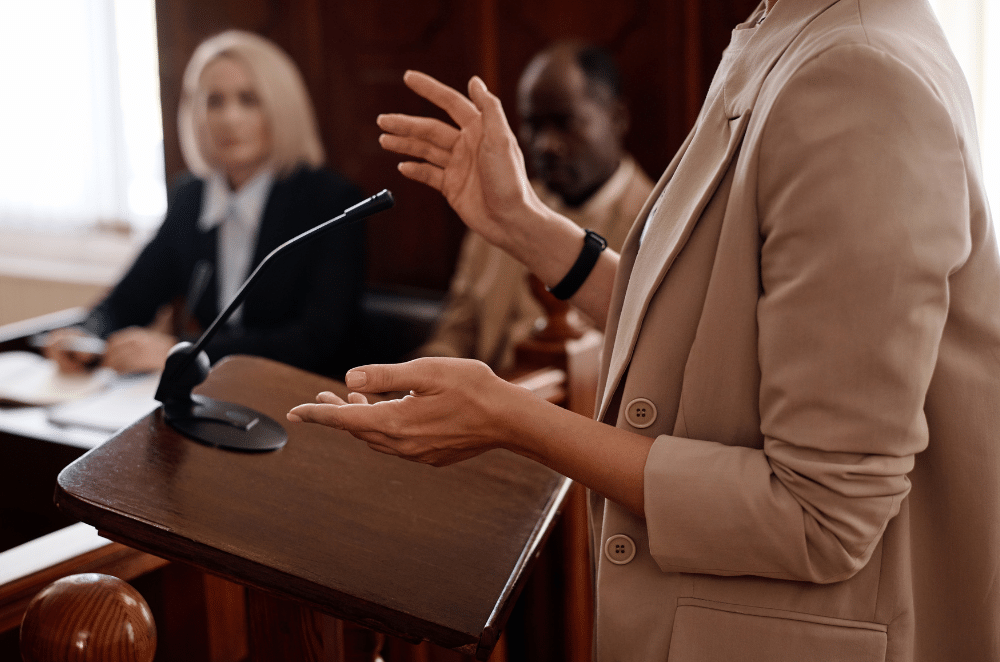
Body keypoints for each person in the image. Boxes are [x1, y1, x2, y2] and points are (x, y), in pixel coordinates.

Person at [289, 0, 1000, 659]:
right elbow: (709, 332)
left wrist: (514, 420)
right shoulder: (793, 33)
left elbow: (818, 514)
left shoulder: (859, 76)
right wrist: (526, 227)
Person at [44, 30, 366, 378]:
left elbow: (318, 341)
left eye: (248, 99)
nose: (229, 118)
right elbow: (130, 299)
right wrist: (87, 335)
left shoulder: (330, 200)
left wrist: (183, 352)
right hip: (210, 397)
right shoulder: (191, 196)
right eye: (214, 101)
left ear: (280, 107)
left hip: (298, 400)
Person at [417, 41, 653, 373]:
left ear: (617, 117)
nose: (546, 144)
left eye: (565, 122)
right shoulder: (498, 205)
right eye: (533, 125)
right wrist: (416, 384)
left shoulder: (657, 227)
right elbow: (456, 331)